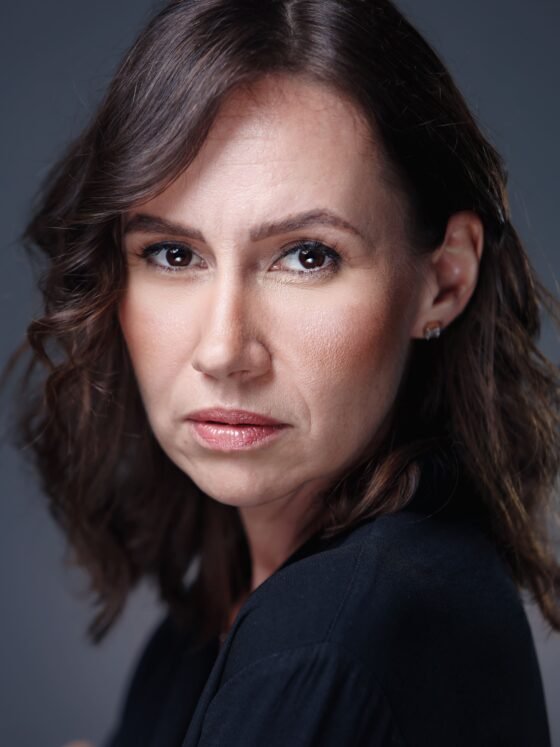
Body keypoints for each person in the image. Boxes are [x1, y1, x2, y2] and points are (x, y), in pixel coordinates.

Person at [5, 0, 559, 744]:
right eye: (173, 254)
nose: (224, 350)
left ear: (444, 280)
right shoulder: (223, 618)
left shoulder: (324, 646)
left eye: (307, 255)